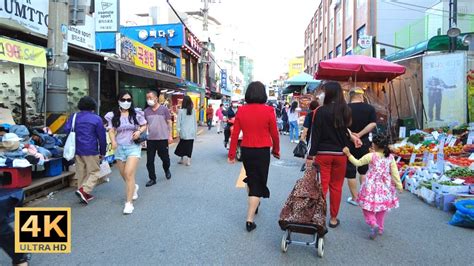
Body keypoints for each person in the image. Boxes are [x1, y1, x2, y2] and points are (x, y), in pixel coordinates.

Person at [305, 82, 361, 228]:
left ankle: (320, 217)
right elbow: (344, 130)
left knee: (322, 186)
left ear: (328, 94)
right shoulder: (346, 110)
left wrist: (310, 156)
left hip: (323, 154)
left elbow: (315, 136)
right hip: (341, 154)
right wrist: (352, 137)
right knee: (336, 187)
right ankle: (334, 218)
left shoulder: (320, 111)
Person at [228, 81, 280, 232]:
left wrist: (232, 154)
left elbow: (235, 134)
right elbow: (274, 134)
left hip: (247, 150)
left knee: (252, 178)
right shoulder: (269, 110)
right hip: (263, 150)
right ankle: (250, 220)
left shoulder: (241, 110)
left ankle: (254, 202)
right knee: (258, 181)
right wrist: (276, 150)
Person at [343, 133, 403, 239]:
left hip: (370, 186)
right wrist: (399, 185)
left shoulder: (371, 156)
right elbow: (395, 173)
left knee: (367, 208)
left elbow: (357, 163)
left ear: (374, 145)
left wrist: (348, 154)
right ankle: (380, 228)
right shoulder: (390, 157)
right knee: (382, 208)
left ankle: (373, 223)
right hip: (385, 187)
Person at [105, 91, 147, 214]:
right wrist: (113, 141)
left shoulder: (136, 113)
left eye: (129, 100)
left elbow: (144, 125)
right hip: (119, 147)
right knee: (124, 175)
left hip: (133, 146)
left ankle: (128, 203)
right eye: (123, 99)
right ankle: (133, 187)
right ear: (118, 100)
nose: (126, 102)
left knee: (129, 173)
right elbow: (111, 130)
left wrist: (139, 131)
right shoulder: (113, 115)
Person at [64, 96, 107, 204]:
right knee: (95, 172)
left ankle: (83, 194)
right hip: (91, 149)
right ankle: (84, 191)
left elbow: (67, 130)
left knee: (81, 173)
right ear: (93, 107)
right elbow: (102, 137)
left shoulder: (74, 117)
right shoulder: (96, 118)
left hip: (77, 149)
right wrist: (103, 152)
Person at [345, 88, 377, 206]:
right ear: (361, 96)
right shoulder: (369, 108)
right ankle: (364, 196)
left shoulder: (345, 108)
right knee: (363, 170)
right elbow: (373, 124)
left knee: (350, 171)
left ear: (351, 95)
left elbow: (342, 125)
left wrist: (352, 135)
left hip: (348, 142)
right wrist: (360, 135)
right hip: (364, 142)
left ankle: (355, 198)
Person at [144, 90, 173, 187]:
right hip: (151, 140)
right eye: (147, 98)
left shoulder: (164, 109)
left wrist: (170, 135)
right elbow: (145, 125)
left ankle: (166, 169)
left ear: (156, 98)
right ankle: (152, 178)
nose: (149, 100)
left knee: (165, 158)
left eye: (150, 97)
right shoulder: (146, 111)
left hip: (162, 139)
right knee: (149, 161)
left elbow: (169, 122)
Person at [175, 96, 197, 166]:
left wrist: (178, 131)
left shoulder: (181, 111)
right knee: (190, 146)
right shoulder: (193, 110)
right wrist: (195, 131)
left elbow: (178, 122)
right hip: (191, 132)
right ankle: (188, 161)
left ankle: (181, 159)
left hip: (183, 132)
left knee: (182, 145)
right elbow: (194, 122)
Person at [299, 100, 320, 172]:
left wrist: (301, 138)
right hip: (321, 139)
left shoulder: (309, 115)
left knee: (311, 154)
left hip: (311, 139)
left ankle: (310, 169)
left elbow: (305, 129)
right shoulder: (322, 114)